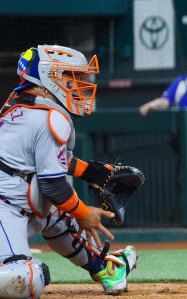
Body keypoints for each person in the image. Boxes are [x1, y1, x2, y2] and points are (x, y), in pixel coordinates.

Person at [0, 46, 138, 296]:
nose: (77, 84)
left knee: (59, 219)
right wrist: (84, 212)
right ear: (46, 78)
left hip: (18, 204)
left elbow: (51, 161)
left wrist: (93, 173)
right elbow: (52, 184)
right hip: (4, 209)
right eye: (69, 76)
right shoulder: (48, 116)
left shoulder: (21, 104)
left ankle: (107, 268)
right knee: (24, 280)